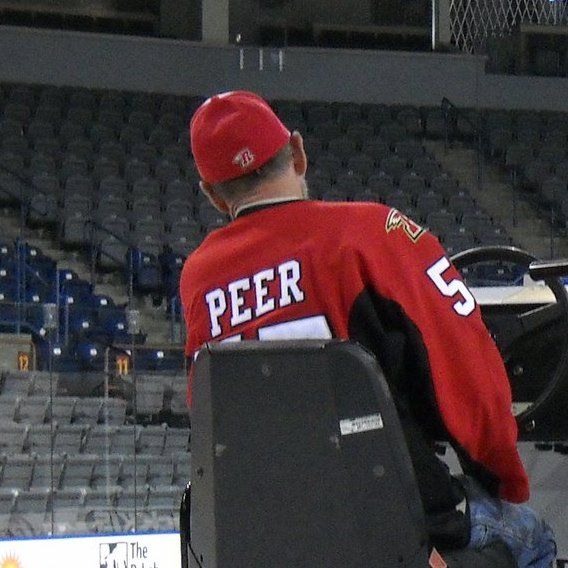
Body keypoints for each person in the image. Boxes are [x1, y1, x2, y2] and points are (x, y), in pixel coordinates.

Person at [180, 90, 556, 566]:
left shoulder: (198, 277)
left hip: (266, 534)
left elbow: (211, 418)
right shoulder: (368, 234)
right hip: (387, 526)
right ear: (297, 151)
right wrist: (503, 478)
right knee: (533, 537)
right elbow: (468, 378)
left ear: (213, 195)